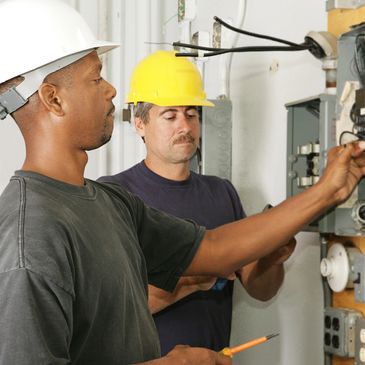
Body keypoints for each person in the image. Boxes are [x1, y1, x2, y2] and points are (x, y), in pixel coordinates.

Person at [0, 1, 365, 365]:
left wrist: (330, 189)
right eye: (96, 77)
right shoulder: (29, 235)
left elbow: (215, 247)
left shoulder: (110, 203)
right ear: (53, 98)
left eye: (190, 114)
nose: (111, 90)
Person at [98, 50, 296, 355]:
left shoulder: (222, 193)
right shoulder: (115, 195)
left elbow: (261, 290)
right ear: (139, 123)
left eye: (192, 114)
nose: (185, 126)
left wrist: (271, 257)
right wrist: (198, 277)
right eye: (170, 115)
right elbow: (114, 308)